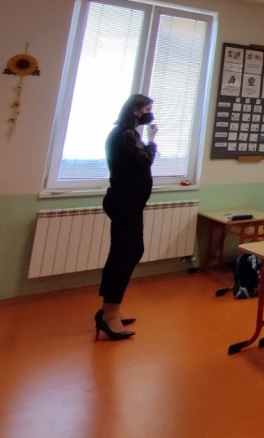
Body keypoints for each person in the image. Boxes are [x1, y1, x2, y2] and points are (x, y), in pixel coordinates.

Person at [95, 93, 157, 341]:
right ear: (135, 110)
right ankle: (109, 315)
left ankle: (111, 310)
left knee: (126, 252)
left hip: (128, 202)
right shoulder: (126, 134)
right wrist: (152, 141)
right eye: (147, 109)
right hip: (125, 203)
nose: (150, 114)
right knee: (125, 254)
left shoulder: (127, 134)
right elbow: (146, 160)